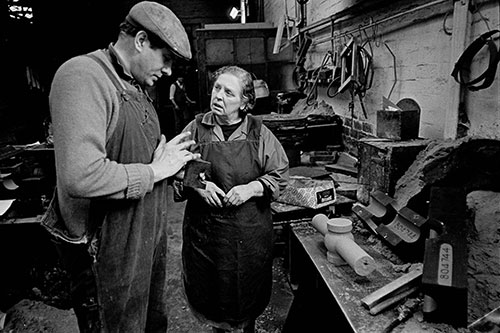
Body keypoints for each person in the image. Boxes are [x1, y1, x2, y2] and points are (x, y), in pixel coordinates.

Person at [43, 2, 200, 332]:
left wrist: (169, 163)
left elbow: (138, 157)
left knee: (148, 322)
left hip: (143, 237)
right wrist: (156, 171)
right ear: (141, 40)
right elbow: (81, 176)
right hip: (105, 248)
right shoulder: (82, 76)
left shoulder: (136, 86)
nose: (169, 72)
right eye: (166, 59)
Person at [177, 65, 289, 333]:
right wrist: (197, 184)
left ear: (245, 102)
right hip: (206, 237)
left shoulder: (259, 133)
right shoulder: (195, 129)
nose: (219, 96)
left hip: (247, 236)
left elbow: (280, 175)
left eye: (229, 92)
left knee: (244, 296)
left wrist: (252, 188)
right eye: (217, 88)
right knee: (212, 295)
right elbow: (172, 168)